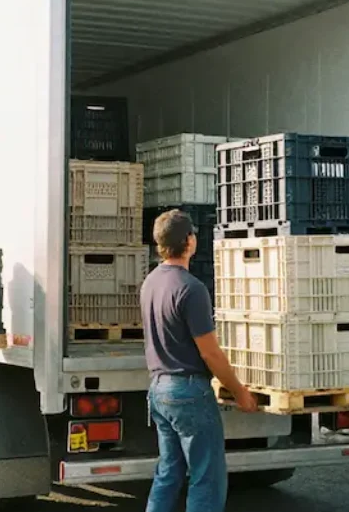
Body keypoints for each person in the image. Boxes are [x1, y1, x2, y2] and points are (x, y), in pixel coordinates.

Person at [141, 210, 257, 512]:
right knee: (207, 478)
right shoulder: (191, 289)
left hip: (159, 389)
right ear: (190, 241)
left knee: (168, 472)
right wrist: (240, 391)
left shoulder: (150, 282)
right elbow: (210, 352)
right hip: (189, 392)